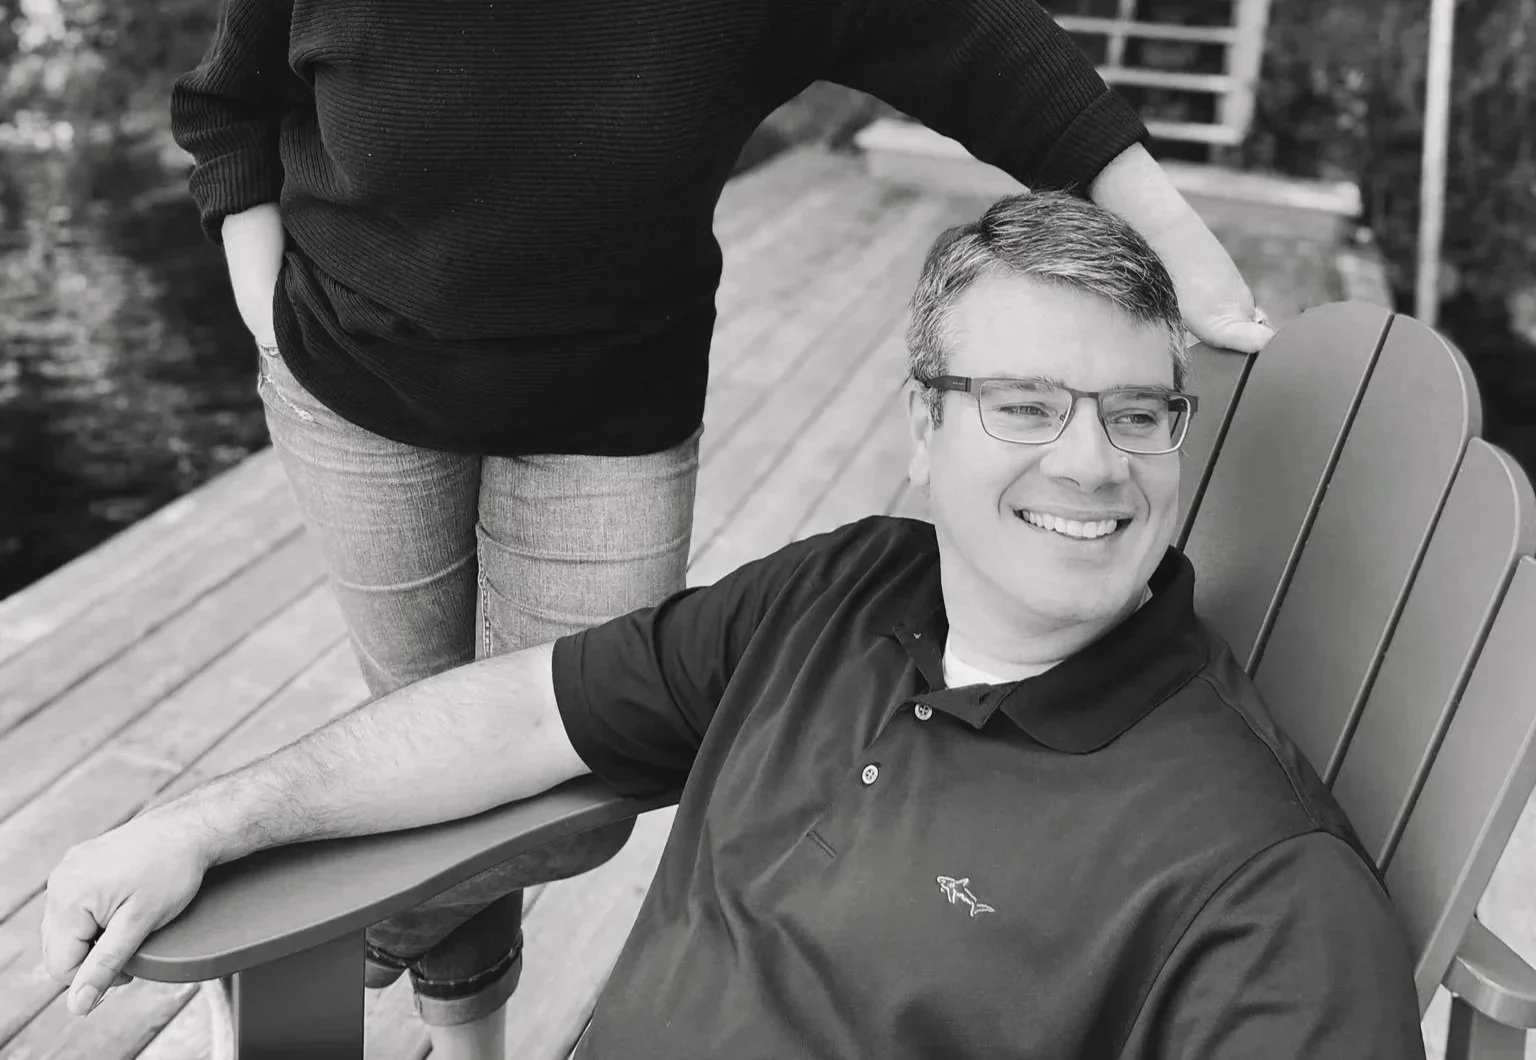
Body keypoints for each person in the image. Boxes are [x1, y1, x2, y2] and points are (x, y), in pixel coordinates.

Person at [167, 0, 1274, 1055]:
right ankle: (464, 1029)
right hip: (357, 393)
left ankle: (335, 940)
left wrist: (1178, 235)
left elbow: (959, 24)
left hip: (603, 412)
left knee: (561, 792)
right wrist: (265, 317)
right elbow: (228, 113)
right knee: (409, 726)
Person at [42, 194, 1420, 1057]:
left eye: (1137, 413)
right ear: (922, 426)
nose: (1092, 463)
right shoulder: (846, 594)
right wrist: (207, 826)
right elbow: (528, 710)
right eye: (1026, 406)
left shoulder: (1258, 883)